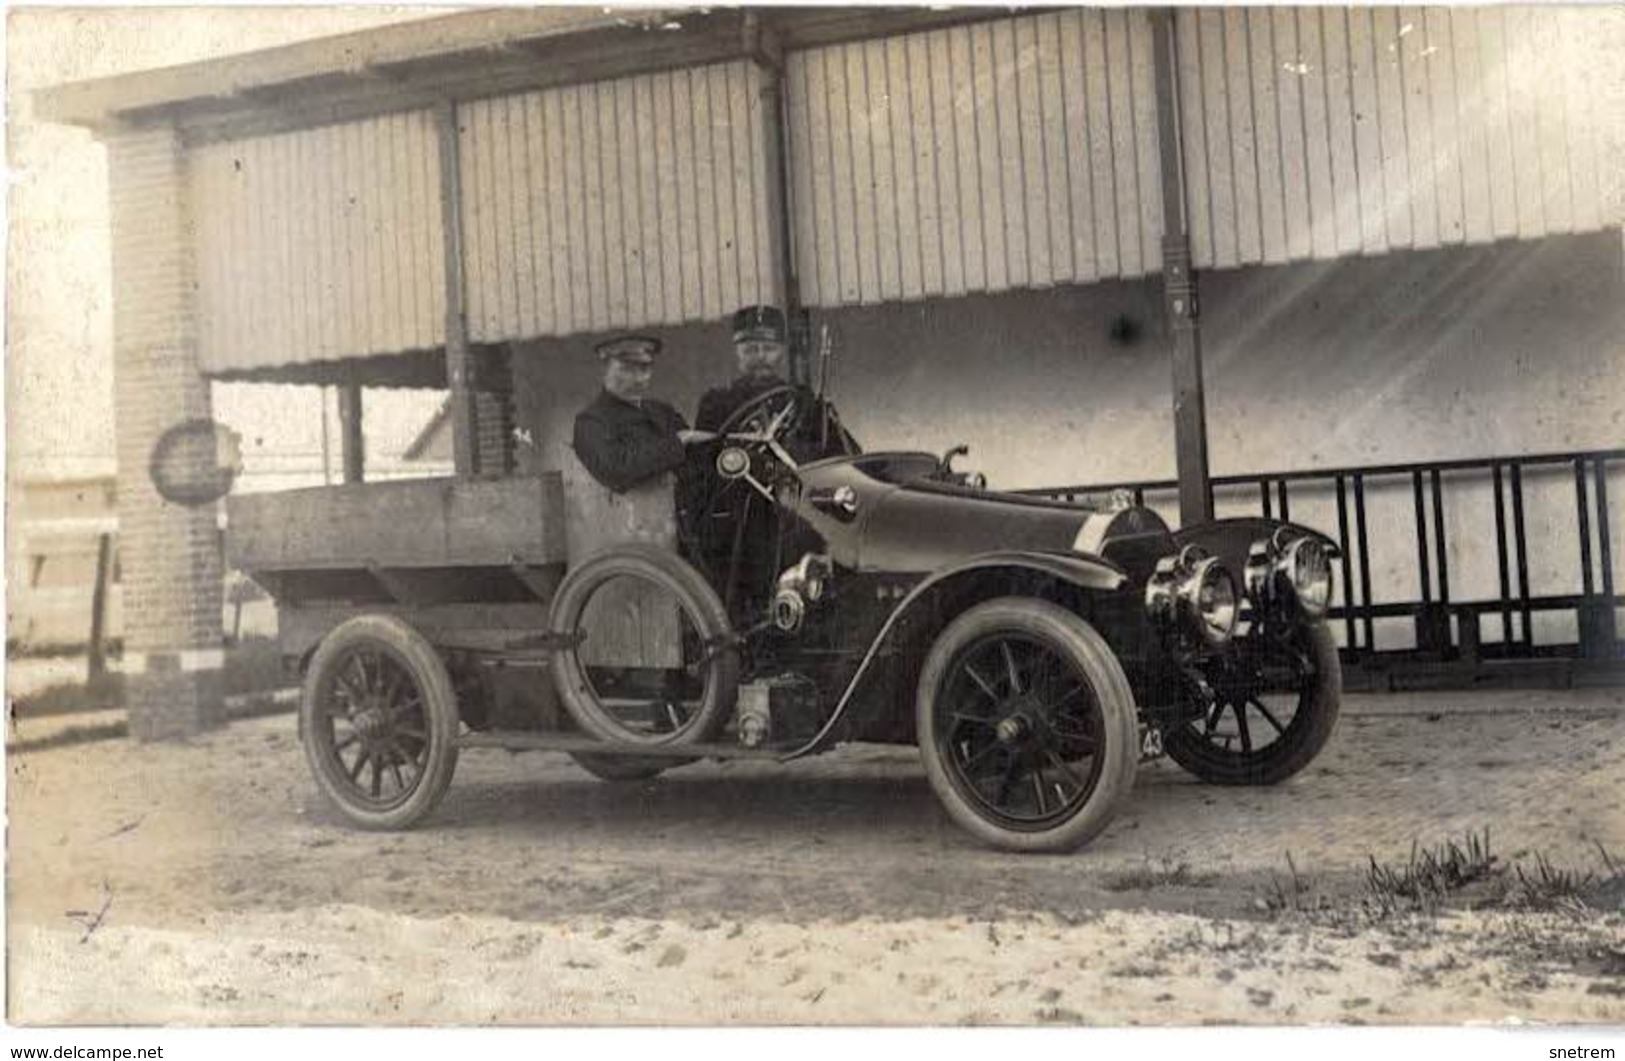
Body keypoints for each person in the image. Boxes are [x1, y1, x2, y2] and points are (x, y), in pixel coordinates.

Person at [572, 334, 712, 494]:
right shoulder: (591, 422)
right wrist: (678, 441)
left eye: (644, 368)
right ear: (603, 371)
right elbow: (615, 471)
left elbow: (694, 461)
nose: (639, 378)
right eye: (627, 369)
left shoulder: (662, 411)